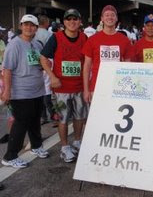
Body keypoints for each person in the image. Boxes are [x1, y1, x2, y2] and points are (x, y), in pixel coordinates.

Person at [1, 14, 49, 168]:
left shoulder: (37, 44)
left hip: (37, 90)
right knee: (21, 123)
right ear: (21, 26)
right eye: (26, 24)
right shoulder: (14, 44)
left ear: (36, 27)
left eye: (32, 25)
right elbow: (7, 69)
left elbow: (39, 65)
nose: (29, 27)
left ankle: (36, 146)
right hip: (21, 92)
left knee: (35, 120)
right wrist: (7, 91)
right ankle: (10, 156)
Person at [40, 9, 88, 163]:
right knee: (63, 119)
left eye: (75, 19)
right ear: (64, 22)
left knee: (80, 117)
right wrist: (52, 76)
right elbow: (42, 58)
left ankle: (77, 141)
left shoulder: (84, 37)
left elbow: (89, 60)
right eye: (69, 19)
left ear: (80, 21)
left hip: (79, 86)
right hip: (61, 88)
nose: (72, 22)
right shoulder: (56, 38)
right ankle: (65, 147)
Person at [82, 5, 132, 103]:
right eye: (107, 15)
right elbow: (86, 66)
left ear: (116, 18)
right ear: (102, 18)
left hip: (117, 88)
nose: (110, 17)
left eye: (113, 15)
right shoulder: (92, 40)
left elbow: (128, 66)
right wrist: (86, 90)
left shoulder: (124, 40)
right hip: (96, 87)